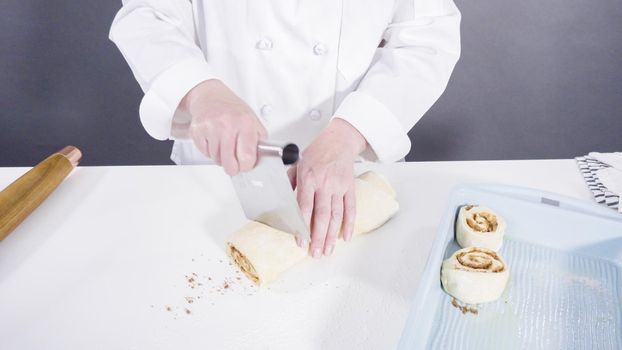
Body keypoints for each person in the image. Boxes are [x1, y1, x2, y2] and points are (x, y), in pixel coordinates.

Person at [109, 0, 461, 259]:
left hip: (352, 179)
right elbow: (148, 15)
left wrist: (349, 134)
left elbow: (428, 37)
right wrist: (200, 90)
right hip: (216, 174)